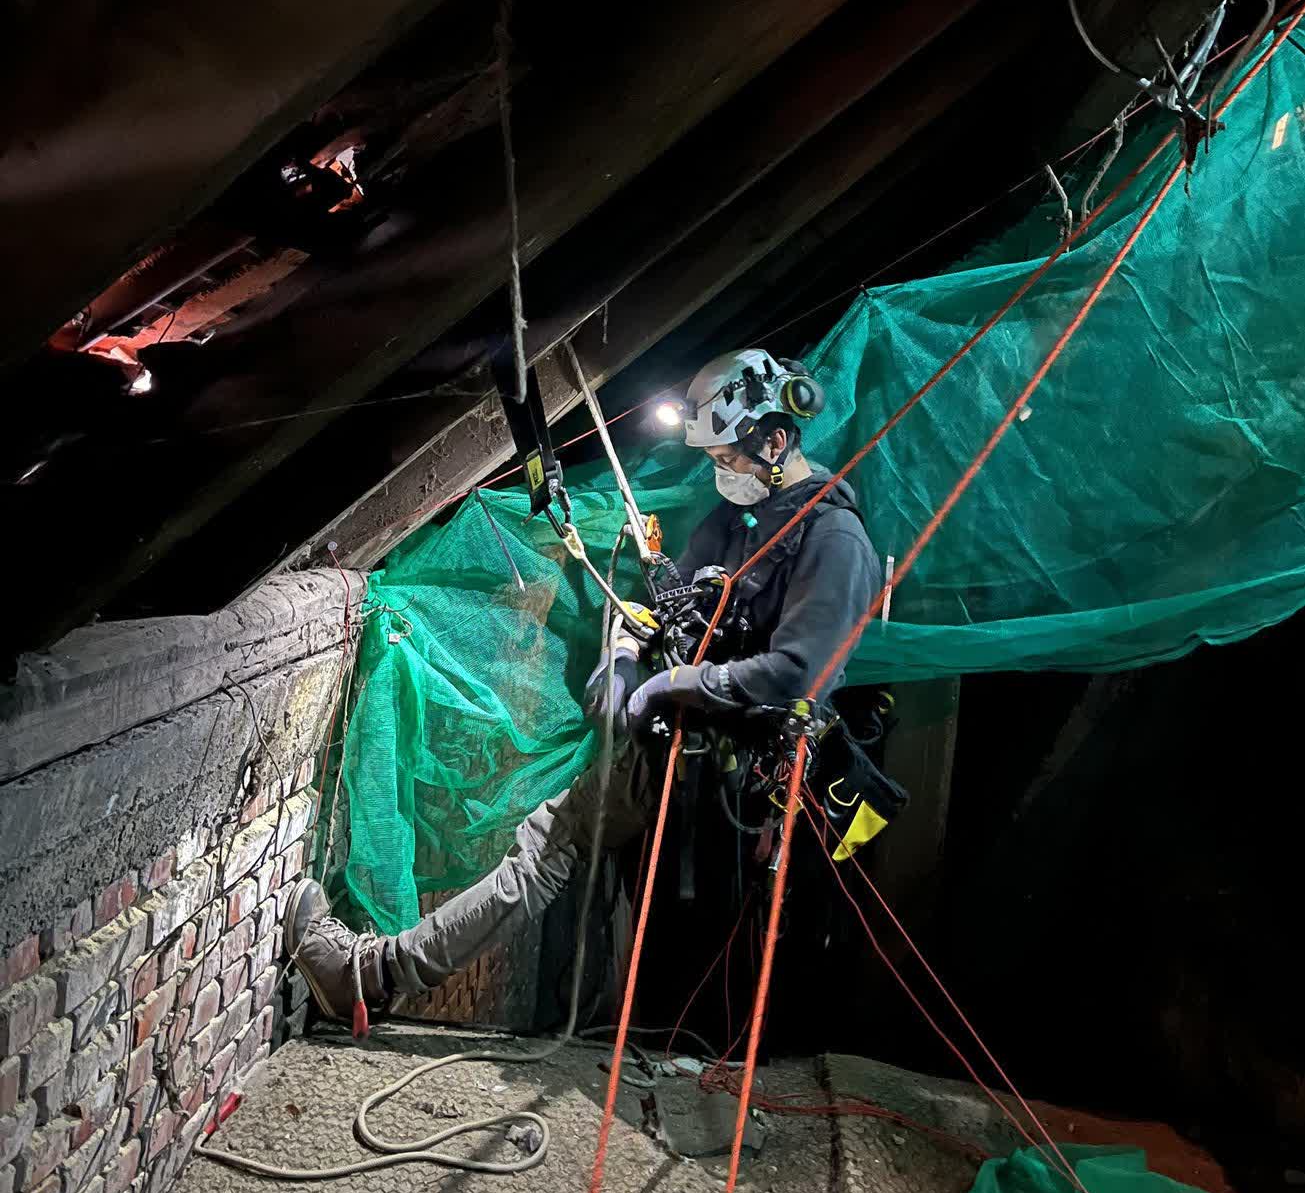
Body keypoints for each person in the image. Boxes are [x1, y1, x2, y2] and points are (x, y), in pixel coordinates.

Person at [285, 348, 883, 1029]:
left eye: (729, 459)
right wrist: (622, 658)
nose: (721, 473)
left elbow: (797, 672)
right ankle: (370, 978)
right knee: (549, 847)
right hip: (672, 755)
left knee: (614, 884)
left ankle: (372, 979)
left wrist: (671, 685)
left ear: (775, 440)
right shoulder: (738, 521)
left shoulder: (834, 541)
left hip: (736, 785)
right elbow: (662, 602)